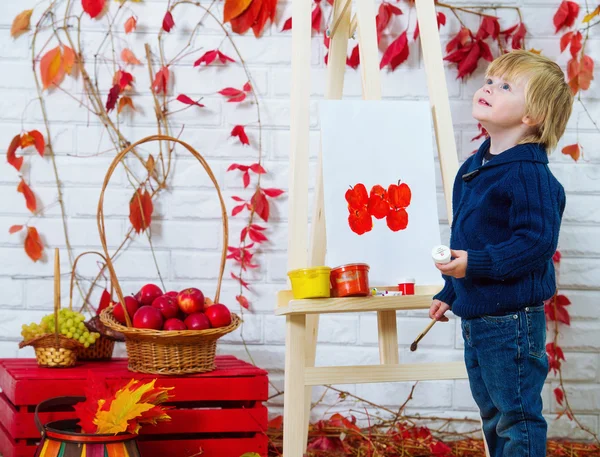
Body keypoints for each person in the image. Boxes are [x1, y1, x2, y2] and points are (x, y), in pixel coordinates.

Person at [429, 50, 573, 457]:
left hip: (511, 321)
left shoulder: (528, 174)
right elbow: (468, 237)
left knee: (516, 416)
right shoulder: (474, 167)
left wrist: (474, 264)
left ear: (532, 117)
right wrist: (451, 291)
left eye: (505, 86)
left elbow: (536, 242)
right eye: (490, 80)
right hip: (478, 316)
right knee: (492, 415)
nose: (488, 87)